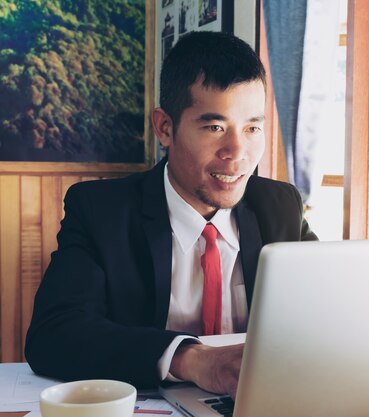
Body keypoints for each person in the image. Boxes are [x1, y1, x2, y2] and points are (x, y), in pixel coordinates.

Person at [25, 31, 317, 399]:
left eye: (252, 128)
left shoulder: (281, 206)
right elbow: (53, 334)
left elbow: (327, 310)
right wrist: (191, 359)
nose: (237, 152)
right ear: (165, 127)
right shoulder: (100, 211)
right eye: (214, 127)